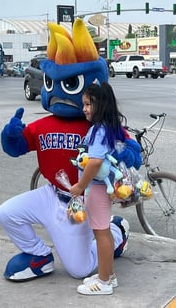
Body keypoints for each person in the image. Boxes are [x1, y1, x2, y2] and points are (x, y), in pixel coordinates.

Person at [0, 19, 140, 283]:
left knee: (80, 270)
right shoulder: (43, 124)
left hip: (80, 203)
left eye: (71, 85)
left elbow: (129, 149)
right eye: (51, 83)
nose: (58, 93)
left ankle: (117, 232)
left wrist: (126, 152)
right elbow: (17, 148)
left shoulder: (99, 126)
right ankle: (39, 256)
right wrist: (11, 134)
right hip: (52, 194)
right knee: (6, 212)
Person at [69, 82, 127, 295]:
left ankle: (103, 282)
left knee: (101, 233)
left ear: (101, 105)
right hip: (103, 189)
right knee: (103, 232)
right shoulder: (108, 127)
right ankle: (108, 275)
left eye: (89, 104)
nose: (84, 108)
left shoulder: (98, 130)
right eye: (83, 104)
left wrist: (80, 186)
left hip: (97, 189)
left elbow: (94, 162)